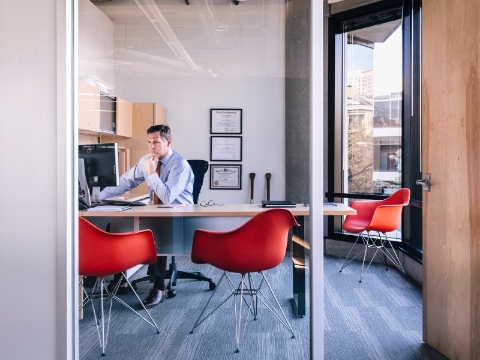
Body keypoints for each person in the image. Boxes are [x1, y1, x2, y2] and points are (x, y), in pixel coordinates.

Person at [98, 124, 194, 308]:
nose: (151, 146)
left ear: (168, 142)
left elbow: (167, 197)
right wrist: (95, 196)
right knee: (116, 226)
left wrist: (151, 172)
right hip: (157, 213)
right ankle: (121, 281)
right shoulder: (146, 160)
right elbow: (124, 183)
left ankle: (159, 288)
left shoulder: (179, 164)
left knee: (156, 231)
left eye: (156, 142)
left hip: (180, 217)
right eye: (149, 142)